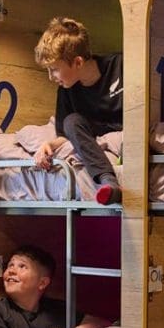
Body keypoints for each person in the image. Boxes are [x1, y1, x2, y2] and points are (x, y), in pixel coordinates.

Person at [33, 17, 124, 205]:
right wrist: (49, 144)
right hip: (94, 131)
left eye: (54, 69)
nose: (51, 77)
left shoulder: (120, 66)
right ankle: (108, 181)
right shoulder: (66, 89)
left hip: (125, 126)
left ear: (78, 62)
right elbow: (66, 134)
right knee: (71, 121)